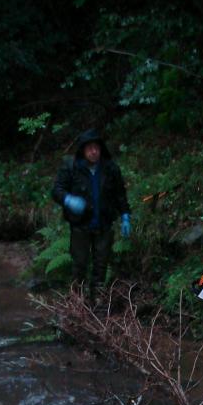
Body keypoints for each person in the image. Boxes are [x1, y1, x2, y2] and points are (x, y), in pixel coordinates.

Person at [52, 128, 130, 300]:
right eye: (89, 148)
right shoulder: (71, 167)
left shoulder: (110, 169)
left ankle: (98, 301)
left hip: (104, 224)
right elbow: (57, 190)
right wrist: (68, 200)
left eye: (96, 148)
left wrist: (125, 216)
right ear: (83, 150)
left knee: (101, 265)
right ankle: (76, 303)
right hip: (80, 226)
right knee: (79, 264)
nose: (94, 152)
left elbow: (120, 194)